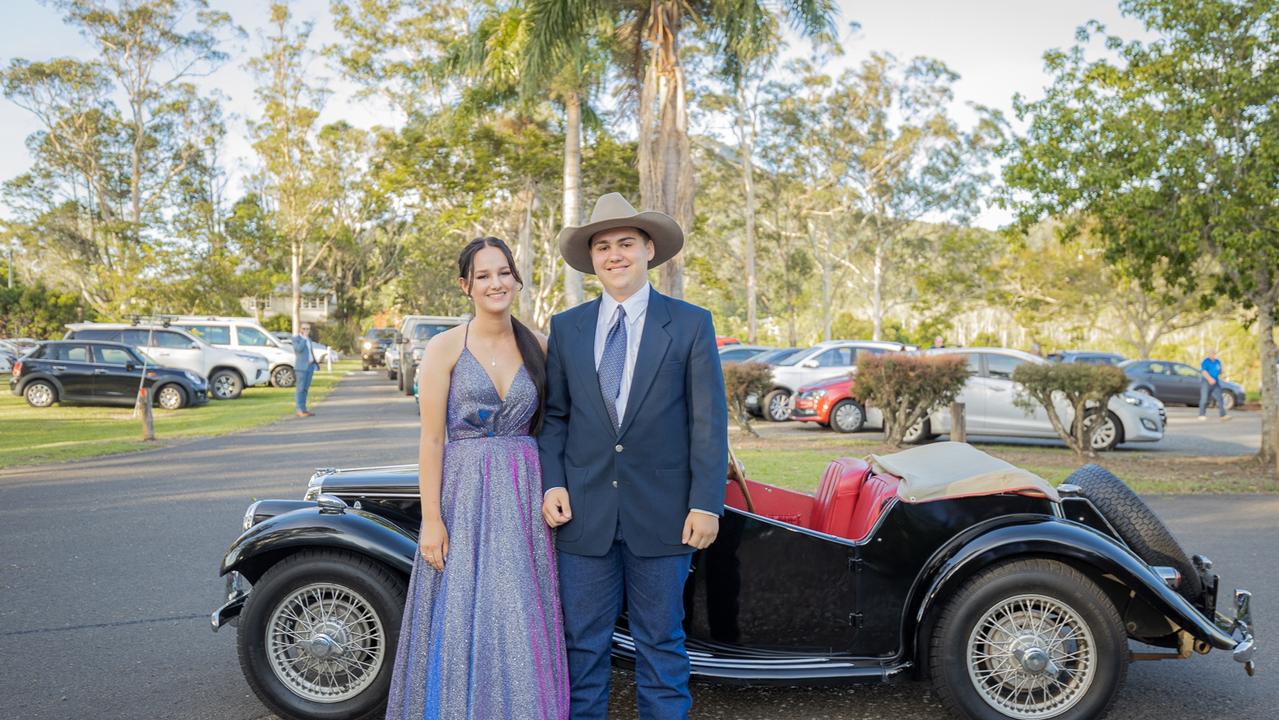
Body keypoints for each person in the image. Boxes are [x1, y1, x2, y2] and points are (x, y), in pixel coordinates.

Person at [539, 193, 729, 719]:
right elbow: (555, 418)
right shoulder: (567, 327)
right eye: (603, 246)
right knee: (582, 649)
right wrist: (552, 483)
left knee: (661, 646)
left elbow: (708, 422)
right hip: (584, 518)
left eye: (626, 243)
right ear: (593, 258)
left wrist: (706, 503)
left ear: (648, 249)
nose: (615, 254)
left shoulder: (690, 324)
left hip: (666, 516)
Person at [385, 237, 568, 719]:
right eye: (483, 275)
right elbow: (431, 441)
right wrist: (431, 520)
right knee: (464, 614)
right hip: (462, 500)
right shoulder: (444, 348)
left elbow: (562, 427)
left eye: (503, 272)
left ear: (516, 278)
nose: (495, 283)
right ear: (466, 285)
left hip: (525, 497)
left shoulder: (541, 347)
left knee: (520, 613)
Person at [290, 322, 321, 417]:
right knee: (300, 389)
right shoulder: (296, 339)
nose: (306, 331)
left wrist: (315, 363)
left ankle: (304, 409)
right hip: (301, 368)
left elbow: (310, 352)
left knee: (305, 389)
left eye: (308, 329)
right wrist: (303, 339)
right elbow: (298, 349)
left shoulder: (309, 339)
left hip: (310, 367)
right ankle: (299, 410)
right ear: (300, 329)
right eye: (304, 329)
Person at [1198, 348, 1231, 422]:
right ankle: (1201, 414)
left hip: (1216, 382)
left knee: (1220, 398)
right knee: (1204, 398)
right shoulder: (1205, 362)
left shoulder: (1217, 362)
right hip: (1206, 382)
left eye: (1213, 353)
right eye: (1210, 353)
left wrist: (1223, 374)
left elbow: (1219, 370)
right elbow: (1203, 371)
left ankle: (1223, 415)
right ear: (1208, 354)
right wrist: (1209, 379)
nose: (1212, 354)